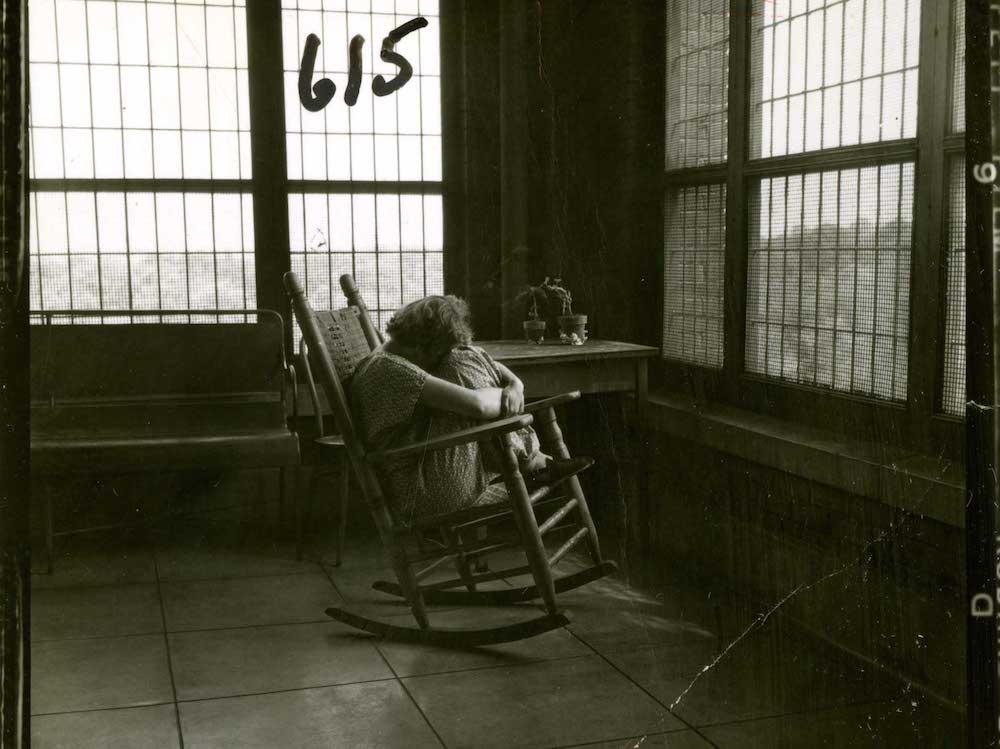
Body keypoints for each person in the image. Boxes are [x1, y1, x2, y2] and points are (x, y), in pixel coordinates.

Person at [350, 294, 589, 525]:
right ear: (425, 345)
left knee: (466, 356)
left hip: (432, 471)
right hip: (423, 489)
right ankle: (534, 462)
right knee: (461, 361)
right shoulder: (388, 368)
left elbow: (489, 364)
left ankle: (533, 462)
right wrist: (505, 393)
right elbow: (478, 405)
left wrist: (516, 384)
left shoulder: (388, 355)